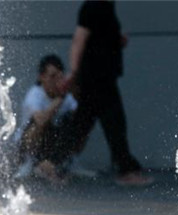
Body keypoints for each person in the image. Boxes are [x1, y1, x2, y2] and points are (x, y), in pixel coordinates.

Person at [62, 0, 153, 187]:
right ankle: (126, 171)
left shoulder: (106, 6)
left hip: (102, 78)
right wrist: (73, 72)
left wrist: (117, 41)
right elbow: (79, 39)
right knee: (114, 125)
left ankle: (49, 162)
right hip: (97, 80)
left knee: (81, 125)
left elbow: (98, 39)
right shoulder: (93, 6)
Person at [12, 54, 80, 184]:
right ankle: (31, 164)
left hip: (50, 145)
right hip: (28, 145)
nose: (55, 81)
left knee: (72, 122)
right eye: (52, 77)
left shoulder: (68, 97)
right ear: (41, 77)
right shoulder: (35, 94)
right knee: (39, 122)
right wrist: (60, 98)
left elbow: (79, 124)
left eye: (59, 77)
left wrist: (74, 89)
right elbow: (40, 121)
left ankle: (51, 164)